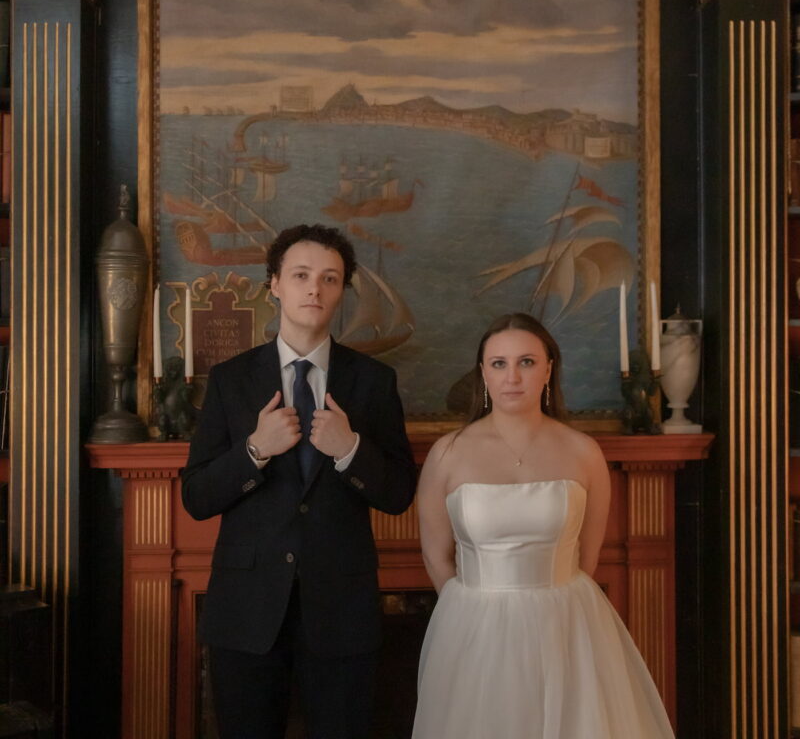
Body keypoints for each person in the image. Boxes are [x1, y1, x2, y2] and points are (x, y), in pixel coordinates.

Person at [182, 223, 417, 739]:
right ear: (275, 284)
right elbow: (196, 497)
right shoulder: (230, 380)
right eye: (302, 275)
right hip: (245, 613)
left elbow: (399, 494)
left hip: (342, 612)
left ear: (341, 291)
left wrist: (350, 450)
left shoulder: (375, 382)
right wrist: (254, 450)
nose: (315, 288)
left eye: (330, 278)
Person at [412, 311, 674, 739]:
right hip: (474, 628)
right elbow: (435, 555)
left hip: (567, 626)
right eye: (499, 363)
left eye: (527, 362)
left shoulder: (583, 451)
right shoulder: (448, 453)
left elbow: (587, 558)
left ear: (549, 368)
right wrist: (475, 613)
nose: (512, 376)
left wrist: (547, 614)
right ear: (483, 372)